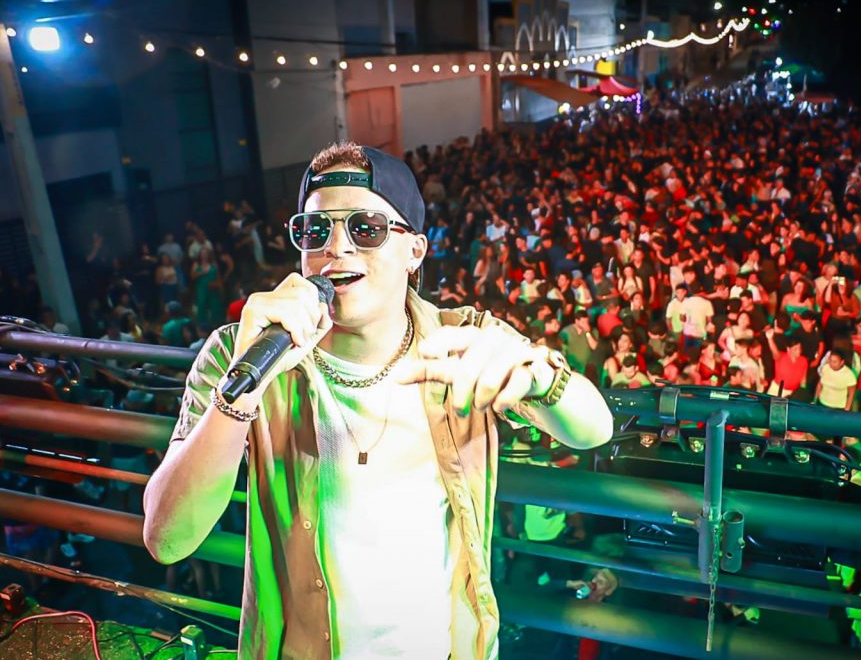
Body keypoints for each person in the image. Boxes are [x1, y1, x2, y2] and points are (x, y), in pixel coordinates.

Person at [143, 142, 613, 660]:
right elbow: (167, 538)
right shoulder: (243, 352)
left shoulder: (463, 341)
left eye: (365, 228)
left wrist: (539, 376)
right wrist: (244, 386)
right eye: (314, 230)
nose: (336, 248)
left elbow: (593, 429)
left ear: (415, 251)